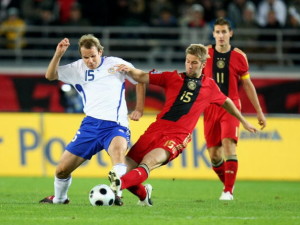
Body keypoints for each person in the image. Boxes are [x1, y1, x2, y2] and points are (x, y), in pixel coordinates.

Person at [108, 43, 258, 206]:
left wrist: (243, 121)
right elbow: (141, 77)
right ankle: (144, 195)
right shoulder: (172, 77)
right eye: (187, 61)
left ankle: (117, 187)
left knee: (148, 162)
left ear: (203, 64)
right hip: (156, 129)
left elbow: (227, 102)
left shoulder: (210, 86)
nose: (190, 65)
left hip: (178, 136)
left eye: (194, 63)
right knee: (125, 168)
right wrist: (129, 69)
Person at [39, 34, 145, 205]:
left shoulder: (116, 64)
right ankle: (60, 199)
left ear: (100, 52)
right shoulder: (77, 69)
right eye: (85, 57)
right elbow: (50, 76)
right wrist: (58, 54)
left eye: (93, 56)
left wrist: (139, 109)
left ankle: (116, 194)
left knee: (118, 157)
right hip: (90, 126)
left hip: (115, 126)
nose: (89, 61)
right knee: (61, 171)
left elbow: (141, 79)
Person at [203, 17, 267, 201]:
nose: (221, 36)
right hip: (210, 107)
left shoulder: (239, 56)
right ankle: (228, 185)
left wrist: (259, 111)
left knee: (229, 145)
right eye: (217, 32)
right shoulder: (205, 54)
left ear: (231, 33)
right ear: (213, 34)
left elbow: (248, 85)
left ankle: (228, 191)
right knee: (215, 156)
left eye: (224, 32)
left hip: (231, 107)